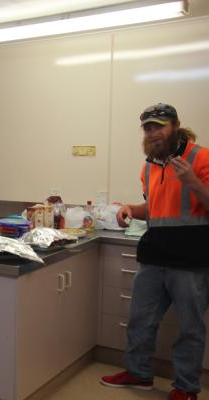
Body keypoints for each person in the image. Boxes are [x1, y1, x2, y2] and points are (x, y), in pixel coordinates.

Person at [100, 103, 209, 400]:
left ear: (174, 125)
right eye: (148, 128)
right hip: (154, 255)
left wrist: (194, 182)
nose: (153, 132)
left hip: (192, 260)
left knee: (190, 328)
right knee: (140, 319)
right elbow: (154, 208)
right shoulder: (149, 165)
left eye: (158, 126)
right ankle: (139, 373)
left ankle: (186, 388)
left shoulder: (202, 157)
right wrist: (130, 209)